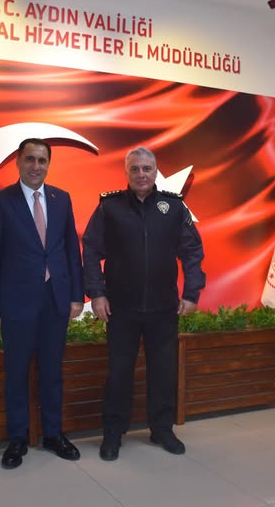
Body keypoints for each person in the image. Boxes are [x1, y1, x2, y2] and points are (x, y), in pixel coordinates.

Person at [82, 146, 205, 461]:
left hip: (163, 307)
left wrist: (192, 292)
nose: (141, 174)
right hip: (121, 307)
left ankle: (162, 429)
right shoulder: (109, 207)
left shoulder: (173, 207)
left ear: (155, 171)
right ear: (126, 172)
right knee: (119, 372)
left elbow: (192, 251)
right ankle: (113, 433)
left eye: (147, 169)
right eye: (135, 169)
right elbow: (91, 250)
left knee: (163, 372)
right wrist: (97, 293)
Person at [0, 138, 84, 469]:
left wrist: (76, 295)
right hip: (16, 303)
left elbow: (71, 250)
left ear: (48, 164)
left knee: (53, 372)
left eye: (42, 160)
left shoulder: (61, 199)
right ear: (18, 162)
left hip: (55, 300)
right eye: (30, 159)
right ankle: (17, 438)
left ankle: (53, 434)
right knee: (16, 373)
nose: (35, 166)